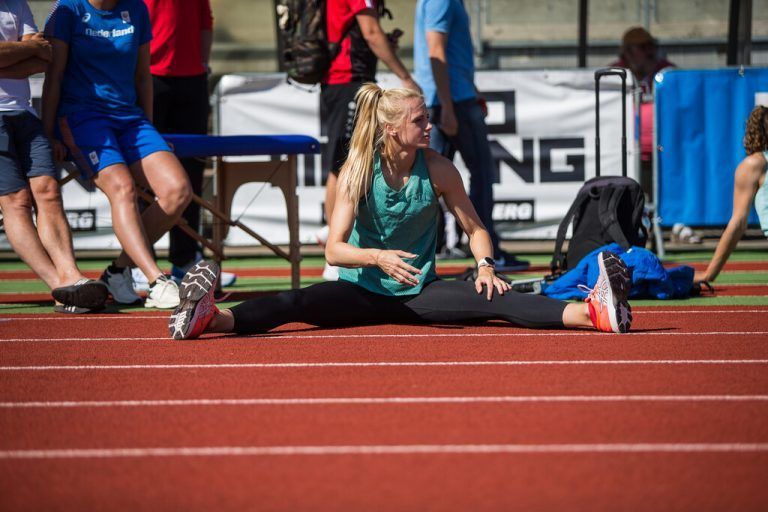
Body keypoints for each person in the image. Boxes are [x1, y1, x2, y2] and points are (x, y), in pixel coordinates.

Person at [169, 85, 633, 340]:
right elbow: (334, 249)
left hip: (421, 294)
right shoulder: (358, 168)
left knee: (501, 300)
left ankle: (596, 313)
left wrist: (485, 265)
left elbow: (475, 229)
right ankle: (208, 317)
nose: (429, 127)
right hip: (361, 292)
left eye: (427, 118)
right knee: (294, 303)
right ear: (391, 129)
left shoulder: (439, 169)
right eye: (419, 121)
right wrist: (378, 258)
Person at [42, 0, 192, 309]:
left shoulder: (136, 9)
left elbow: (143, 78)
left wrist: (150, 130)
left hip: (130, 119)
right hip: (82, 117)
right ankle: (156, 281)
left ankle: (117, 271)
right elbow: (53, 76)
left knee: (178, 190)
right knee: (122, 187)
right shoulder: (67, 10)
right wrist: (49, 133)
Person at [0, 0, 107, 314]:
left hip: (25, 114)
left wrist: (15, 54)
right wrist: (25, 50)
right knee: (16, 202)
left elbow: (45, 57)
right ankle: (60, 287)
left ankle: (71, 275)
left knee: (48, 192)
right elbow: (33, 53)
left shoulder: (17, 3)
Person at [413, 0, 528, 272]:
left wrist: (469, 91)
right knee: (480, 173)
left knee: (429, 175)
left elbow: (446, 52)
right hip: (452, 100)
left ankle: (435, 245)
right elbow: (436, 51)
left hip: (452, 97)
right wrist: (448, 106)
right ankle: (488, 249)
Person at [134, 0, 236, 291]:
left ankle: (186, 259)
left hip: (192, 80)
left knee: (190, 172)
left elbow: (206, 20)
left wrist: (202, 65)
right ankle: (139, 263)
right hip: (148, 76)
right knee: (143, 172)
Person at [317, 0, 420, 281]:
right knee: (344, 164)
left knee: (345, 161)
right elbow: (371, 32)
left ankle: (333, 236)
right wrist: (404, 76)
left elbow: (367, 33)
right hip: (347, 80)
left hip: (347, 81)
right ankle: (335, 247)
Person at [694, 106, 768, 283]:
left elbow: (738, 223)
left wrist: (709, 274)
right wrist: (709, 274)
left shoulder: (754, 164)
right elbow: (738, 223)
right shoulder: (756, 164)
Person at [611, 26, 674, 197]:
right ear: (628, 52)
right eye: (642, 47)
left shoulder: (667, 71)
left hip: (663, 145)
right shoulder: (615, 72)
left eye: (651, 46)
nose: (649, 52)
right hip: (626, 145)